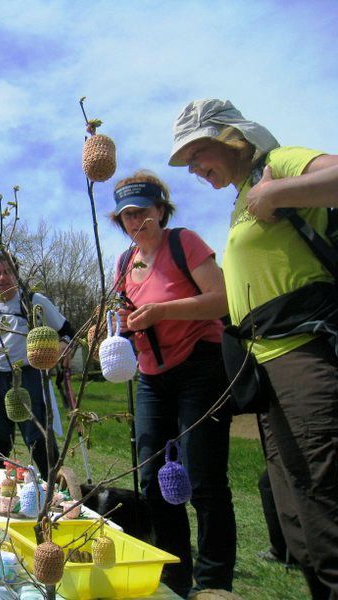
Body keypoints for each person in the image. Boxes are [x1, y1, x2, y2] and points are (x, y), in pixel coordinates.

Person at [169, 98, 338, 599]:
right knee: (297, 516)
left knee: (325, 504)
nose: (196, 170)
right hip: (263, 366)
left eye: (199, 155)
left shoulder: (276, 165)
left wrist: (279, 191)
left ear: (231, 139)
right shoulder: (242, 193)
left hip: (302, 350)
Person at [111, 171, 235, 596]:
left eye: (142, 212)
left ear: (161, 210)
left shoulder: (185, 242)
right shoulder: (125, 263)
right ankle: (174, 576)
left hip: (200, 366)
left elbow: (222, 300)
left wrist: (163, 313)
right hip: (151, 376)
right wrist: (115, 332)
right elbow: (123, 315)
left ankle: (215, 583)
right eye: (127, 215)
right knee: (152, 478)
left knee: (203, 478)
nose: (135, 222)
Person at [0, 253, 73, 479]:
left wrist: (61, 348)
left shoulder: (33, 302)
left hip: (27, 374)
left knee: (38, 437)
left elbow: (67, 331)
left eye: (8, 272)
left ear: (16, 274)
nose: (2, 278)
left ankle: (54, 487)